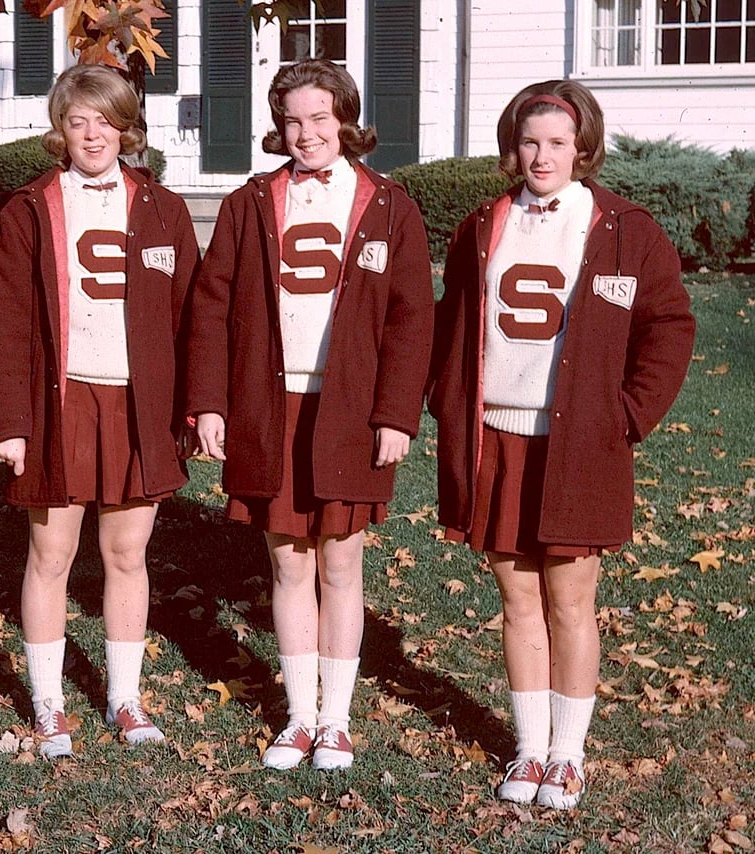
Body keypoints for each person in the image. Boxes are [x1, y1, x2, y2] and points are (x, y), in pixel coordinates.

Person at [428, 80, 695, 808]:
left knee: (571, 602)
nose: (541, 155)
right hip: (499, 437)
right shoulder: (485, 224)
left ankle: (568, 756)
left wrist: (628, 415)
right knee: (517, 600)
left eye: (555, 142)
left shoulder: (622, 227)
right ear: (512, 147)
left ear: (583, 147)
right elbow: (450, 323)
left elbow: (668, 326)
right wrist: (446, 406)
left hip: (578, 442)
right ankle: (528, 749)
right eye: (528, 141)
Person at [186, 59, 434, 771]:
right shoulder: (251, 202)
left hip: (351, 409)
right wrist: (208, 400)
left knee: (341, 561)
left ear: (347, 121)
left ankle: (338, 718)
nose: (306, 134)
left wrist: (396, 414)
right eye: (293, 120)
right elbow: (211, 306)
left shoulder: (388, 204)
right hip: (272, 403)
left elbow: (412, 320)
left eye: (320, 119)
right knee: (288, 563)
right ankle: (299, 716)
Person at [0, 64, 199, 758]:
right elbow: (8, 321)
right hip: (64, 398)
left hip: (139, 403)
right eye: (77, 121)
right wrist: (10, 422)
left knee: (127, 553)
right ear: (60, 130)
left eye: (103, 119)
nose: (91, 133)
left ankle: (124, 697)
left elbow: (194, 317)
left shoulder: (161, 207)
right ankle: (48, 703)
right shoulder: (32, 207)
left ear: (126, 125)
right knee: (51, 554)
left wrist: (194, 410)